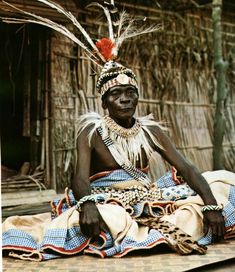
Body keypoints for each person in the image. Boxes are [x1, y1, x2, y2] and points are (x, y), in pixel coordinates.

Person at [2, 0, 235, 261]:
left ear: (137, 97)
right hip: (107, 200)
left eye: (129, 93)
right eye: (115, 94)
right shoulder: (92, 130)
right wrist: (87, 205)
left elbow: (188, 169)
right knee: (110, 219)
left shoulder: (151, 132)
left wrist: (211, 205)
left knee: (224, 181)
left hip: (149, 197)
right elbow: (79, 179)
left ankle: (154, 229)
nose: (124, 99)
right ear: (104, 102)